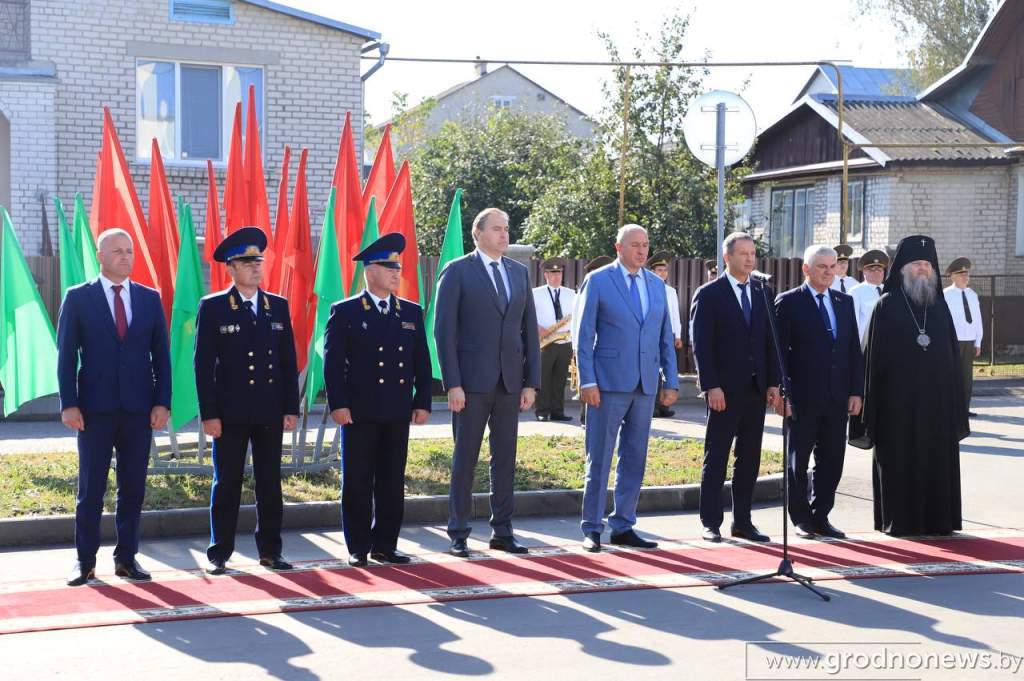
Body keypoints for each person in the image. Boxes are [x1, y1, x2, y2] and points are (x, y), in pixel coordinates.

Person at [56, 228, 171, 586]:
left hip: (138, 410)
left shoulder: (149, 299)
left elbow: (161, 358)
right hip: (94, 412)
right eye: (118, 251)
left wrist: (162, 402)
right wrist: (69, 404)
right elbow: (65, 357)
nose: (125, 257)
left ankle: (127, 558)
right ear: (101, 255)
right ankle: (85, 561)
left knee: (133, 487)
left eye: (129, 251)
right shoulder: (78, 298)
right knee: (91, 489)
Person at [434, 207, 541, 558]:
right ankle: (459, 533)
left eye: (507, 229)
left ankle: (503, 531)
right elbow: (444, 332)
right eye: (497, 229)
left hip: (510, 383)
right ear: (477, 233)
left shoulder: (518, 273)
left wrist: (531, 382)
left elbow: (528, 331)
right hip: (471, 385)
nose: (504, 235)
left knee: (505, 459)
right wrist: (453, 384)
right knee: (466, 460)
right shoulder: (458, 271)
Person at [195, 227, 299, 575]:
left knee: (270, 483)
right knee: (227, 482)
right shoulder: (214, 307)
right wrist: (209, 413)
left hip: (269, 410)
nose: (256, 267)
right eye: (247, 262)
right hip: (230, 413)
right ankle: (219, 552)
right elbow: (203, 364)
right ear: (231, 268)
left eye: (259, 261)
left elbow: (288, 361)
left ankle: (271, 551)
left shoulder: (277, 307)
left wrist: (290, 407)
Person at [324, 233, 432, 567]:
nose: (396, 273)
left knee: (391, 480)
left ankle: (385, 543)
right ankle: (358, 545)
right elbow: (333, 363)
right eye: (388, 267)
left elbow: (421, 361)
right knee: (357, 480)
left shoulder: (410, 312)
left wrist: (423, 401)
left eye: (398, 267)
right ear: (370, 272)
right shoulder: (346, 312)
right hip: (360, 411)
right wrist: (338, 404)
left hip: (397, 409)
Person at [574, 224, 678, 552]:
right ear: (619, 247)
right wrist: (587, 381)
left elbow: (665, 338)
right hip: (606, 385)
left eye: (646, 245)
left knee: (635, 457)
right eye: (635, 245)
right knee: (600, 457)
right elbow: (582, 335)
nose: (642, 251)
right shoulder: (599, 280)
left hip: (646, 385)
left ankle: (623, 524)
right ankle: (592, 527)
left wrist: (671, 381)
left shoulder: (656, 285)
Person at [857, 235, 967, 536]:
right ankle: (899, 520)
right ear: (903, 268)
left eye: (927, 264)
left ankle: (939, 520)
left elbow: (954, 357)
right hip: (898, 405)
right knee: (899, 460)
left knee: (937, 458)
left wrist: (956, 397)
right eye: (917, 264)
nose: (922, 269)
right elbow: (871, 362)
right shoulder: (886, 306)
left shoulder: (940, 308)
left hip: (938, 405)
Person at [691, 233, 780, 543]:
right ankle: (710, 521)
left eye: (753, 253)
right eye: (743, 253)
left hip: (756, 389)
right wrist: (711, 386)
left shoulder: (762, 292)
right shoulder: (710, 293)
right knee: (716, 456)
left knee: (749, 457)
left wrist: (773, 382)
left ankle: (743, 520)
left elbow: (771, 341)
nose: (750, 259)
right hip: (724, 392)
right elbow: (702, 346)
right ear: (727, 258)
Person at [775, 244, 864, 539]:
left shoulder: (843, 301)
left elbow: (853, 349)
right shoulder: (788, 302)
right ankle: (801, 518)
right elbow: (779, 354)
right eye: (821, 266)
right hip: (801, 398)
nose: (828, 272)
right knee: (798, 461)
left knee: (832, 460)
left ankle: (821, 514)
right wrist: (782, 393)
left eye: (832, 266)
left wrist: (856, 391)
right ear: (806, 268)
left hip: (837, 397)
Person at [533, 257, 575, 422]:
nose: (556, 276)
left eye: (559, 273)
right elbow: (526, 316)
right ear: (546, 275)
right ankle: (542, 411)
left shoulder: (571, 294)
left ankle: (558, 411)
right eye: (552, 273)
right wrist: (538, 329)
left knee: (560, 378)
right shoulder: (536, 293)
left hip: (565, 341)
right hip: (545, 342)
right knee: (543, 378)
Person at [574, 255, 614, 426]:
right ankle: (585, 417)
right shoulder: (587, 289)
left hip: (607, 348)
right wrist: (576, 347)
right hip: (590, 347)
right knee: (589, 382)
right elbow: (578, 322)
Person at [943, 257, 983, 417]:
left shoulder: (972, 294)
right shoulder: (945, 295)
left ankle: (964, 408)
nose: (965, 277)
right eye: (961, 274)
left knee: (967, 377)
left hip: (969, 341)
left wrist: (978, 341)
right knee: (951, 376)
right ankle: (950, 408)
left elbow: (978, 319)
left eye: (967, 274)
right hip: (953, 341)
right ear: (952, 276)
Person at [646, 251, 683, 418]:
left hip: (669, 335)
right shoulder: (647, 288)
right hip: (654, 335)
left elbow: (674, 314)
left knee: (667, 370)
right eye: (659, 270)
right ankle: (652, 406)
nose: (663, 273)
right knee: (653, 371)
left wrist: (678, 335)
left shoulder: (670, 291)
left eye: (665, 270)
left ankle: (664, 406)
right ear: (652, 272)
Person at [849, 249, 889, 346]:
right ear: (864, 272)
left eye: (879, 270)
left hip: (887, 342)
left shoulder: (888, 290)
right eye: (872, 270)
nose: (877, 273)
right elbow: (853, 323)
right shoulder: (855, 292)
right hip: (866, 344)